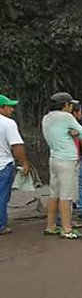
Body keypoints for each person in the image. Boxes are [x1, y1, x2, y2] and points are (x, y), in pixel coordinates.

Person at [42, 92, 82, 239]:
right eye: (70, 104)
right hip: (67, 158)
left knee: (54, 193)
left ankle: (51, 226)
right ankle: (67, 228)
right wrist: (73, 133)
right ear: (65, 105)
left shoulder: (47, 117)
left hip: (54, 157)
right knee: (66, 195)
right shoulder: (66, 117)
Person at [0, 94, 31, 235]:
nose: (12, 109)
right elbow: (17, 145)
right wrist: (24, 162)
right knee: (2, 196)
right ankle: (1, 225)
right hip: (3, 164)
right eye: (9, 106)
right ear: (1, 108)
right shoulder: (8, 123)